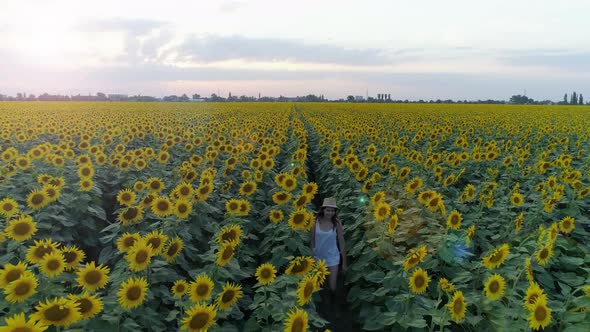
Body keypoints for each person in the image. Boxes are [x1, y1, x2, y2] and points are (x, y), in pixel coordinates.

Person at [310, 197, 348, 308]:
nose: (330, 213)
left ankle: (332, 304)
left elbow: (341, 242)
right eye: (328, 210)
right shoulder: (315, 222)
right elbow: (312, 240)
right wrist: (312, 256)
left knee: (332, 286)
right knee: (320, 285)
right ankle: (323, 306)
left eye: (332, 210)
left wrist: (344, 263)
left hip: (332, 257)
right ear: (323, 210)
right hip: (318, 257)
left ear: (335, 212)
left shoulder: (336, 223)